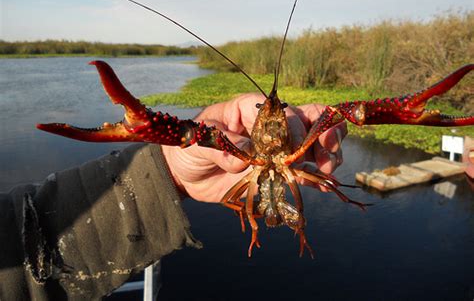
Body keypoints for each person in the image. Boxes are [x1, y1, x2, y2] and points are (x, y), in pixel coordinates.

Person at [0, 94, 346, 300]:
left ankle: (295, 231)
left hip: (267, 175)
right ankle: (270, 229)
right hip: (258, 183)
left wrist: (172, 170)